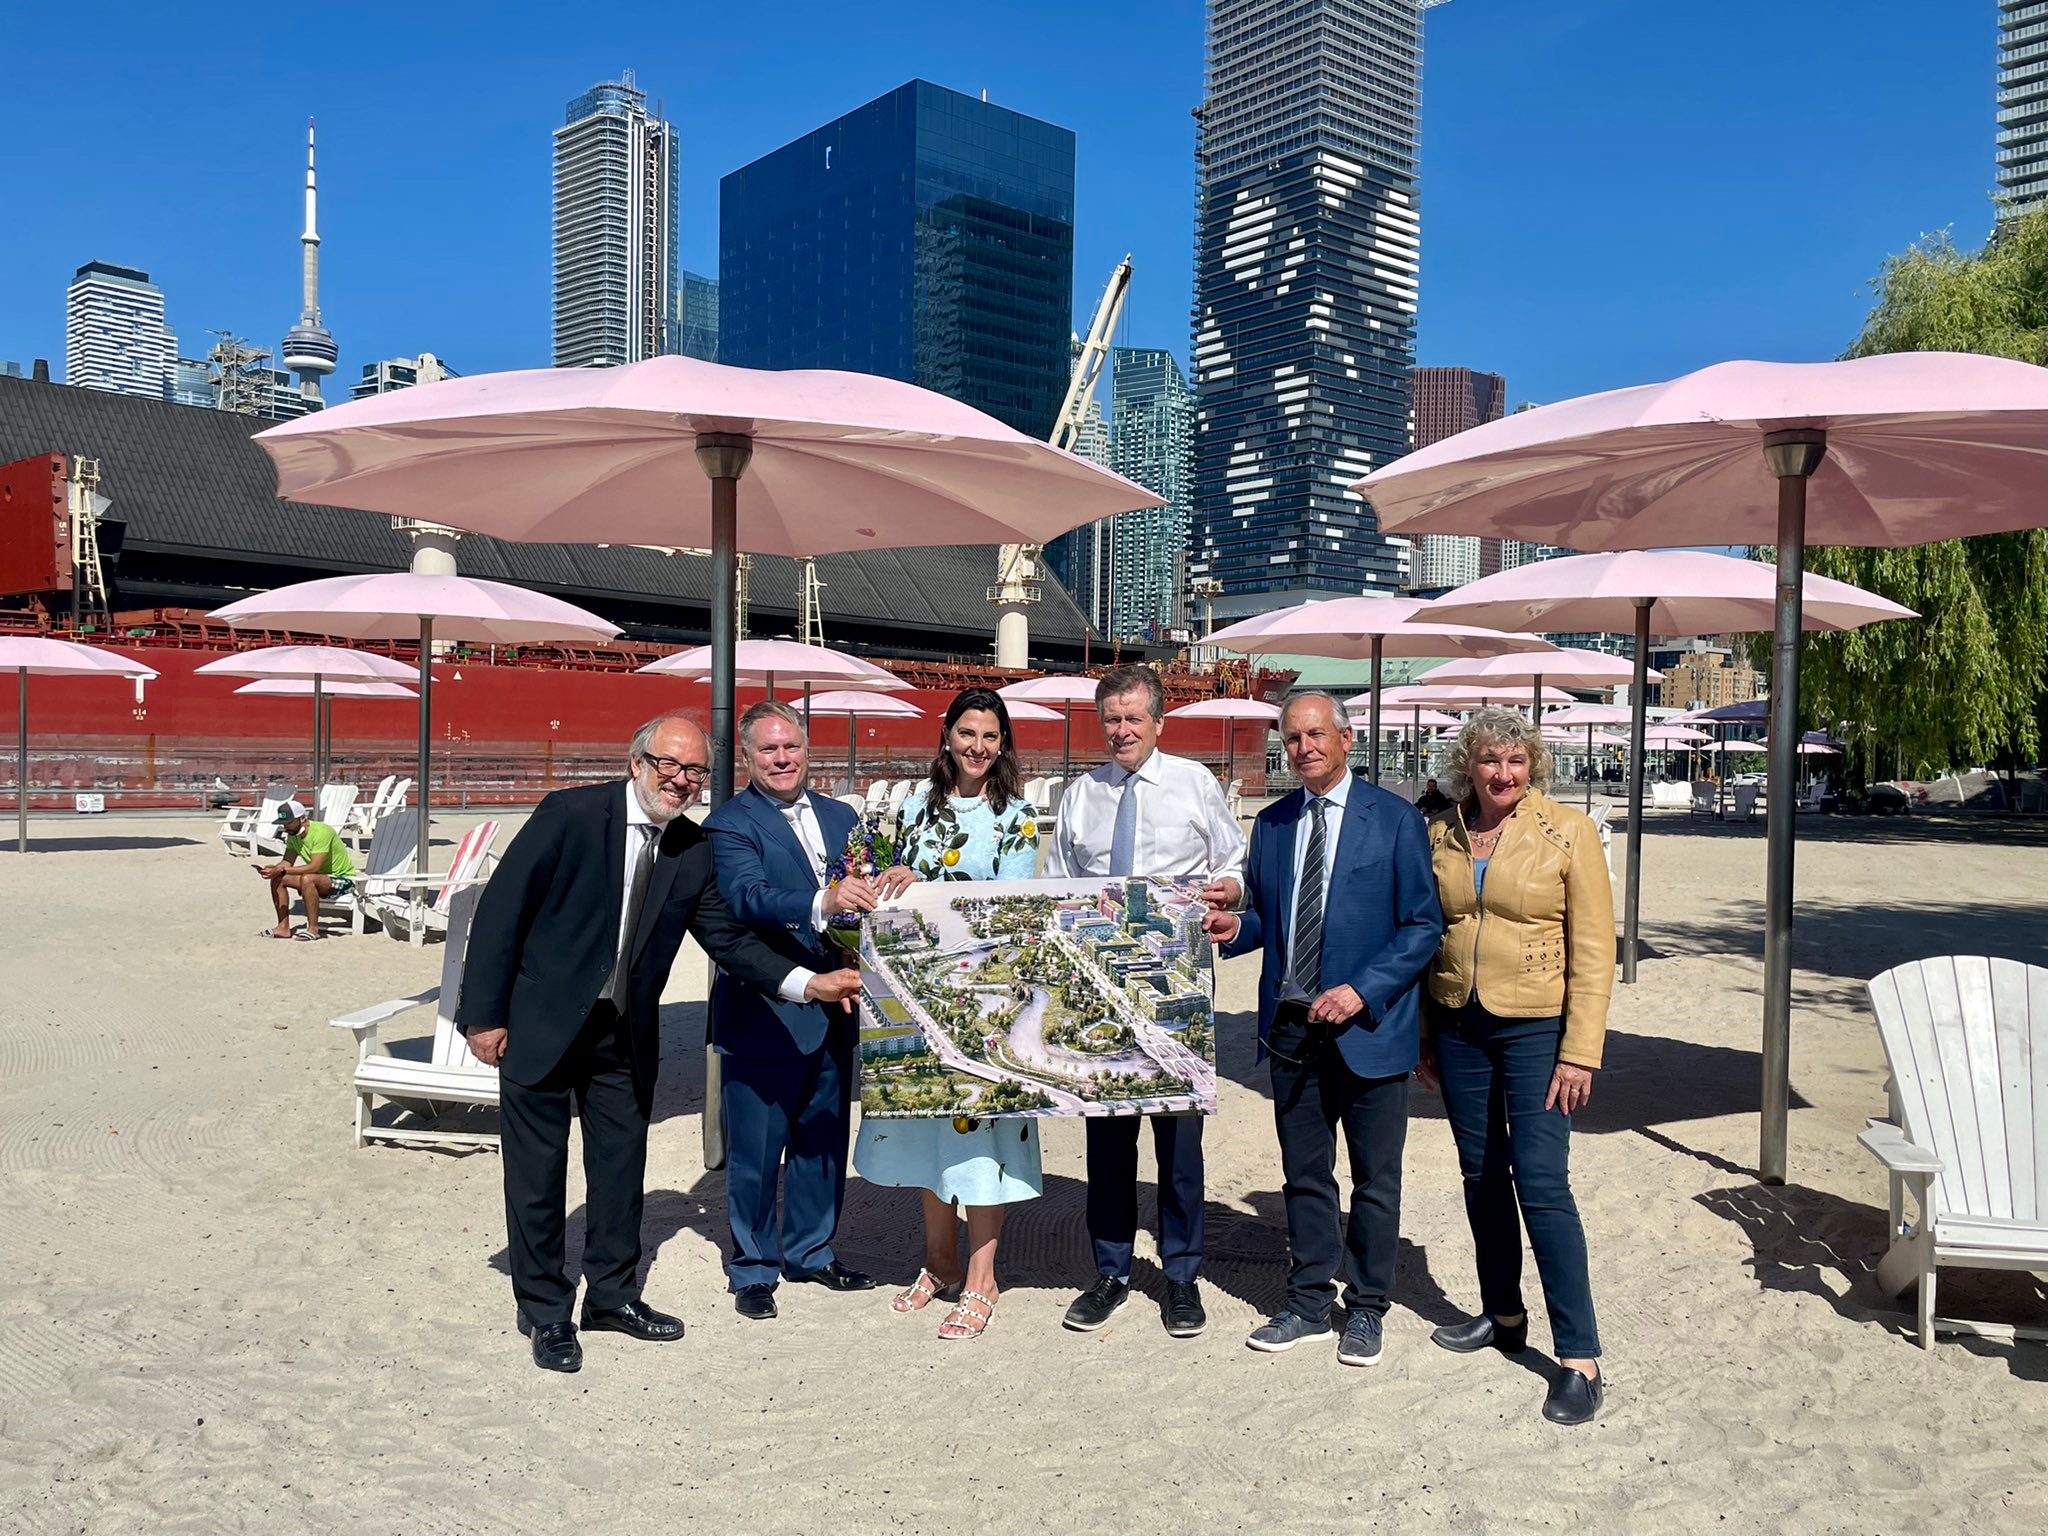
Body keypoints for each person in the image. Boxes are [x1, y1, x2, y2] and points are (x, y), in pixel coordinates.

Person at [457, 712, 862, 1374]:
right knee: (536, 1177)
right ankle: (546, 1310)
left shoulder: (692, 850)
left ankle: (612, 1296)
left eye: (695, 771)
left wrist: (809, 984)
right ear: (637, 761)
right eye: (668, 766)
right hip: (541, 1024)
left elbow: (727, 942)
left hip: (623, 1033)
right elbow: (503, 911)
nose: (679, 780)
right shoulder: (569, 815)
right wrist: (483, 1017)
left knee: (620, 1173)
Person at [1202, 692, 1443, 1368]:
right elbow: (1272, 919)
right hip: (1291, 1030)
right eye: (1293, 737)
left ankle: (1367, 1308)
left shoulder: (1394, 820)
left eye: (1316, 735)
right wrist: (1236, 929)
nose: (1304, 747)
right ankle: (1308, 1301)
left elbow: (1423, 926)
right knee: (1305, 1176)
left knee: (1375, 1179)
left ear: (1345, 738)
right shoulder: (1274, 823)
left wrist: (1361, 989)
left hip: (1371, 1028)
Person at [1417, 707, 1612, 1426]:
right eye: (1491, 760)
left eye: (1517, 761)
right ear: (1467, 763)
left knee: (1540, 1179)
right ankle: (1502, 1314)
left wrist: (1580, 1050)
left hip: (1538, 1028)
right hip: (1460, 1024)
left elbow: (1595, 950)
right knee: (1479, 1174)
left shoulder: (1568, 832)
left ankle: (1580, 1358)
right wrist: (1425, 1032)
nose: (1504, 774)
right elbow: (1429, 934)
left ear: (1534, 765)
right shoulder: (1439, 833)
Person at [1045, 663, 1244, 1339]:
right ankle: (1110, 1270)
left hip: (1176, 986)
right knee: (1107, 1135)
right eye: (1112, 720)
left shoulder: (1195, 785)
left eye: (1134, 719)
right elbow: (1055, 884)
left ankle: (1182, 1276)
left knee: (1180, 1141)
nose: (1122, 731)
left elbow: (1233, 859)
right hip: (1099, 988)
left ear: (1159, 722)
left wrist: (1230, 892)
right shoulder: (1081, 795)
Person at [706, 700, 914, 1321]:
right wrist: (823, 900)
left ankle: (813, 1252)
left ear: (806, 749)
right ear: (746, 757)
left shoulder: (841, 815)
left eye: (790, 747)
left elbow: (866, 887)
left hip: (838, 1008)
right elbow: (748, 897)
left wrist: (896, 879)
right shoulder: (730, 823)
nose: (781, 758)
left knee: (822, 1141)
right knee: (755, 1151)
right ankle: (753, 1268)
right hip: (765, 1010)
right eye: (767, 749)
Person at [852, 688, 1042, 1340]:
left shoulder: (1015, 817)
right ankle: (938, 1262)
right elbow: (884, 893)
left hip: (983, 996)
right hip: (916, 993)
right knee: (927, 1128)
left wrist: (925, 886)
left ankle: (984, 1277)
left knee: (982, 1133)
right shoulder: (910, 809)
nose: (978, 747)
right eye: (968, 733)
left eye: (990, 736)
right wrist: (882, 878)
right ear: (947, 736)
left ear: (1003, 743)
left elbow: (1009, 908)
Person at [255, 798, 357, 941]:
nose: (286, 827)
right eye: (283, 823)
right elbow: (287, 862)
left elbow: (314, 867)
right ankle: (283, 927)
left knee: (308, 878)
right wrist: (274, 869)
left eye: (289, 822)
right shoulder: (293, 834)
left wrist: (282, 870)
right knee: (278, 878)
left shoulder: (322, 831)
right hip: (319, 879)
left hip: (343, 880)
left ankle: (313, 929)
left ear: (302, 818)